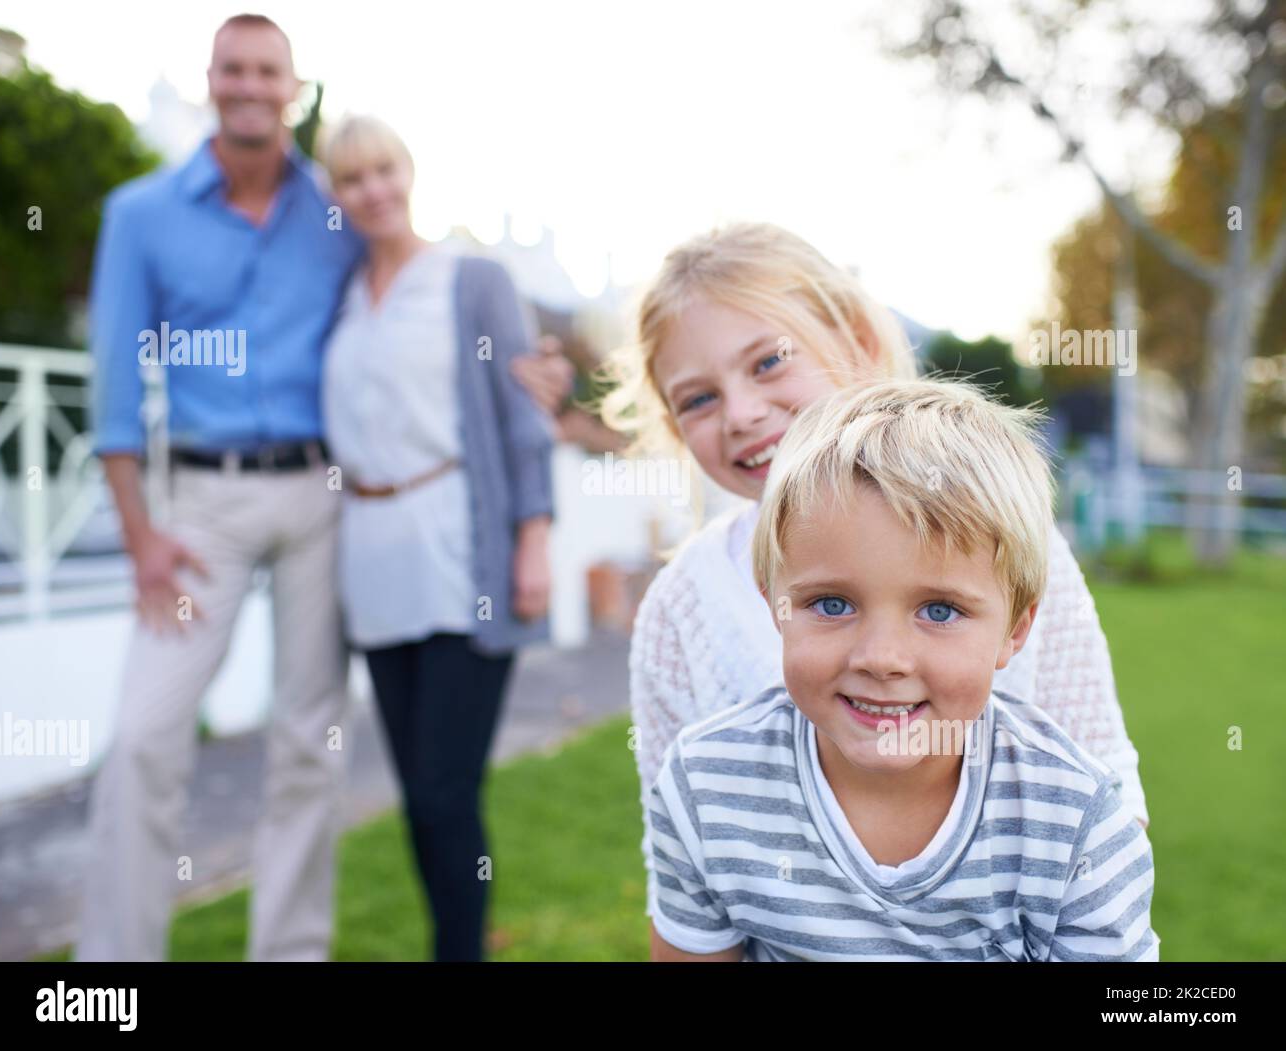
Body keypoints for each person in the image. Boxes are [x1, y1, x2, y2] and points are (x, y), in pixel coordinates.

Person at [600, 223, 1151, 945]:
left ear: (858, 343)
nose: (739, 412)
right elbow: (682, 862)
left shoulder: (1009, 544)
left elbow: (1105, 788)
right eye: (698, 399)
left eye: (768, 361)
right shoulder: (679, 606)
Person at [647, 378, 1159, 961]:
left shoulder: (1075, 824)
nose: (881, 659)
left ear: (1015, 628)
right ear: (774, 603)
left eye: (939, 611)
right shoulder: (707, 787)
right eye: (832, 605)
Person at [77, 14, 364, 961]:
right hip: (200, 508)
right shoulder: (140, 213)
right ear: (211, 79)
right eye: (232, 68)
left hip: (320, 495)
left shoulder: (336, 213)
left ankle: (291, 951)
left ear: (292, 86)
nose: (248, 84)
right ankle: (113, 970)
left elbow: (403, 300)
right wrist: (140, 538)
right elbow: (115, 387)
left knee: (308, 742)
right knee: (143, 738)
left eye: (266, 70)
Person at [317, 115, 554, 961]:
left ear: (409, 171)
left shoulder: (471, 279)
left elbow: (524, 421)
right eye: (350, 178)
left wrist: (533, 541)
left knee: (447, 792)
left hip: (464, 556)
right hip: (374, 563)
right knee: (420, 794)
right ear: (334, 196)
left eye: (383, 169)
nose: (371, 189)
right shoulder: (341, 296)